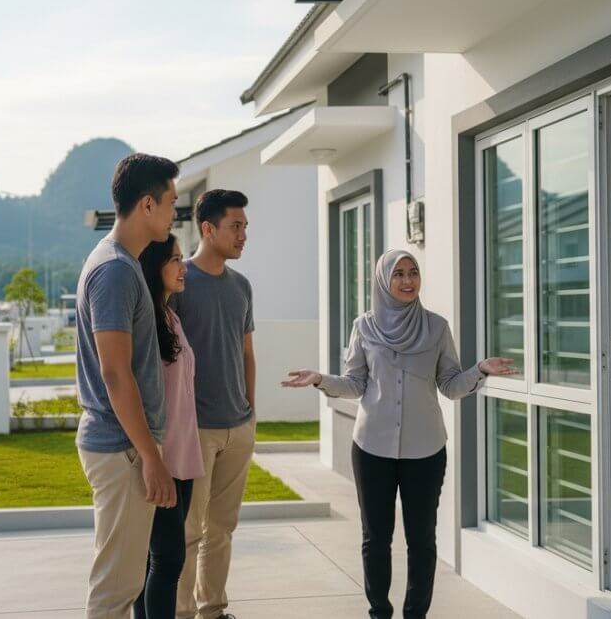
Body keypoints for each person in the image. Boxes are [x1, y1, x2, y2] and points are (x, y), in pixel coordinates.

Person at [282, 249, 516, 619]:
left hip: (425, 450)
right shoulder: (364, 327)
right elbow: (356, 383)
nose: (408, 281)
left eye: (414, 272)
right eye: (399, 274)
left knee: (421, 540)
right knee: (376, 539)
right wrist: (321, 380)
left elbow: (451, 386)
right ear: (383, 281)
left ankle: (415, 615)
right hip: (372, 447)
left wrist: (480, 370)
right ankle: (379, 612)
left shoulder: (436, 327)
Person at [75, 153, 179, 619]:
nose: (176, 213)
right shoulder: (115, 270)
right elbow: (116, 374)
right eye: (172, 202)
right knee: (116, 590)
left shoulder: (123, 263)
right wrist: (151, 457)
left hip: (126, 446)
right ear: (147, 205)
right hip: (123, 449)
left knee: (123, 579)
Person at [171, 189, 255, 619]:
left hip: (237, 428)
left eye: (244, 226)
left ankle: (213, 610)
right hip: (195, 430)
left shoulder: (242, 286)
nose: (243, 235)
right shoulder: (178, 281)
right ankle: (183, 612)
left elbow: (246, 354)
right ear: (208, 229)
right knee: (189, 530)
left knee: (222, 529)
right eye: (235, 226)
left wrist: (250, 413)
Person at [134, 234, 204, 619]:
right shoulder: (146, 321)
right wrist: (151, 457)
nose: (183, 267)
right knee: (166, 560)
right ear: (154, 266)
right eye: (175, 259)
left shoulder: (170, 315)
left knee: (155, 562)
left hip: (183, 455)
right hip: (161, 458)